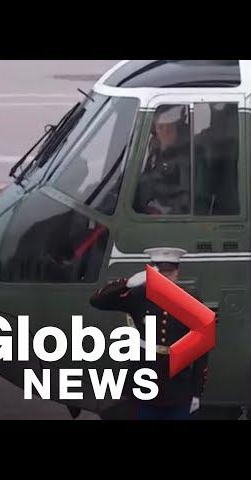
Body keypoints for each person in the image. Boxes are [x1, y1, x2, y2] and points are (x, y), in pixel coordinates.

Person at [89, 247, 209, 420]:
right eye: (161, 273)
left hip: (178, 385)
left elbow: (201, 349)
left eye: (170, 272)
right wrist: (127, 283)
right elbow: (97, 301)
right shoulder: (138, 295)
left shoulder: (191, 300)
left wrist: (197, 391)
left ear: (178, 272)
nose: (167, 277)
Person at [135, 106, 191, 215]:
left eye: (169, 128)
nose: (163, 132)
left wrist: (162, 212)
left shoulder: (186, 157)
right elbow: (147, 175)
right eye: (159, 127)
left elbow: (186, 199)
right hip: (148, 205)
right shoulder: (155, 147)